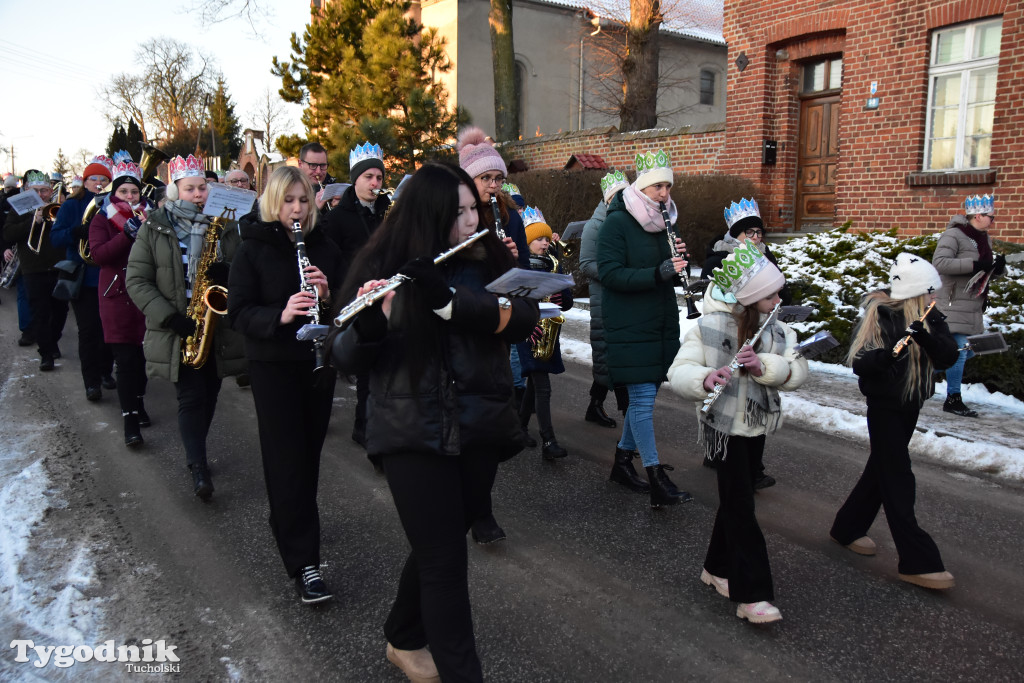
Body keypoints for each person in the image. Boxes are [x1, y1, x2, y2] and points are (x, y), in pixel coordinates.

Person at [329, 162, 538, 683]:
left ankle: (403, 635)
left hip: (479, 421)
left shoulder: (487, 256)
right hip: (409, 427)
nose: (472, 221)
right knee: (445, 562)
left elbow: (526, 319)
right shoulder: (378, 260)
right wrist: (371, 326)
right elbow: (344, 357)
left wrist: (451, 303)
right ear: (430, 215)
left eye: (474, 209)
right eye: (460, 213)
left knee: (437, 543)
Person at [667, 240, 807, 623]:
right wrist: (706, 378)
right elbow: (678, 371)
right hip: (723, 429)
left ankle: (716, 568)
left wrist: (765, 367)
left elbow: (797, 374)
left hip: (757, 424)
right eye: (772, 293)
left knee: (736, 502)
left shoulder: (779, 331)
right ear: (750, 297)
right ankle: (753, 594)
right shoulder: (710, 326)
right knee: (742, 507)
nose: (780, 298)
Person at [228, 166, 344, 605]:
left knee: (308, 455)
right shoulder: (251, 249)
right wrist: (281, 313)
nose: (296, 209)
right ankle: (305, 564)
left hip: (316, 363)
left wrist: (328, 294)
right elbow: (238, 313)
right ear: (273, 203)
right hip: (273, 365)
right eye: (288, 201)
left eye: (303, 201)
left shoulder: (324, 247)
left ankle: (288, 518)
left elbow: (349, 303)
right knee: (286, 460)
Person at [830, 253, 959, 590]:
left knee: (882, 468)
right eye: (931, 292)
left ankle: (847, 527)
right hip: (885, 405)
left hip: (911, 402)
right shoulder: (881, 314)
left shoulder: (931, 317)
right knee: (897, 475)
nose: (935, 298)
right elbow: (860, 362)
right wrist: (888, 356)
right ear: (917, 292)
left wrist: (924, 336)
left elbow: (947, 355)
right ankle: (918, 560)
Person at [126, 154, 246, 501]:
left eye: (202, 187)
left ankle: (198, 450)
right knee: (191, 396)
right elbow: (137, 280)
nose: (198, 193)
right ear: (175, 191)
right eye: (190, 188)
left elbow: (245, 266)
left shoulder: (224, 225)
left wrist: (229, 273)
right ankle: (198, 465)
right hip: (179, 327)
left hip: (217, 326)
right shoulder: (154, 226)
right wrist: (170, 317)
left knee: (210, 393)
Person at [597, 149, 692, 508]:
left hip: (659, 320)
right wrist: (658, 273)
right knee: (640, 400)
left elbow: (670, 267)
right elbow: (608, 273)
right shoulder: (617, 223)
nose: (664, 193)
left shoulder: (666, 220)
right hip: (629, 322)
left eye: (667, 186)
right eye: (657, 187)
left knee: (647, 396)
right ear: (641, 187)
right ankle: (656, 477)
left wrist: (681, 261)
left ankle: (622, 462)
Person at [457, 126, 528, 543]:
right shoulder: (457, 215)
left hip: (498, 323)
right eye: (486, 179)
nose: (494, 186)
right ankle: (473, 510)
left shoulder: (509, 213)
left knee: (492, 417)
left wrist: (513, 259)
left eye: (498, 178)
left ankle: (481, 506)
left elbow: (518, 276)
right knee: (469, 420)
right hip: (467, 320)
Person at [701, 198, 785, 489]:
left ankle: (754, 467)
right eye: (749, 232)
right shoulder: (719, 258)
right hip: (728, 331)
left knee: (755, 397)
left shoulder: (766, 256)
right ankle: (718, 452)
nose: (756, 238)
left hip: (760, 329)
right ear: (735, 234)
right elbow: (714, 295)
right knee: (726, 395)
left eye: (759, 233)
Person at [322, 142, 391, 456]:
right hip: (355, 297)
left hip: (384, 292)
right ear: (356, 179)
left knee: (381, 364)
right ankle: (363, 426)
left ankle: (373, 423)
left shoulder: (384, 211)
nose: (375, 183)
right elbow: (330, 259)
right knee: (364, 365)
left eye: (378, 177)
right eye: (369, 177)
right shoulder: (338, 218)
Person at [89, 156, 154, 447]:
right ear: (115, 192)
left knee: (143, 358)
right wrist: (127, 236)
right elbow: (99, 256)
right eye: (124, 192)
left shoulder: (150, 216)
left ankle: (138, 402)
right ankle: (130, 420)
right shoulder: (102, 218)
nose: (130, 197)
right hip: (116, 296)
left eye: (135, 192)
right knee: (126, 360)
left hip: (147, 294)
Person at [932, 194, 1006, 418]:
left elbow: (984, 271)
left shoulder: (985, 239)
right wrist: (975, 264)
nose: (993, 220)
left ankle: (922, 372)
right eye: (991, 217)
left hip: (972, 304)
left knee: (970, 350)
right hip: (952, 303)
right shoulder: (954, 234)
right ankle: (953, 399)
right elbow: (940, 262)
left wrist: (998, 268)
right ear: (979, 215)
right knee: (961, 350)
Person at [50, 155, 116, 401]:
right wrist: (76, 232)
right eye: (93, 179)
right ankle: (91, 382)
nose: (98, 183)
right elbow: (55, 239)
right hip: (83, 277)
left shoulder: (113, 203)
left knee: (109, 329)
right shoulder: (71, 206)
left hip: (109, 275)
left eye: (103, 179)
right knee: (88, 331)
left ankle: (105, 371)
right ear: (85, 181)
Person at [515, 206, 574, 460]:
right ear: (527, 242)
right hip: (528, 332)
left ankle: (518, 428)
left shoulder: (554, 264)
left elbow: (568, 301)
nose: (544, 242)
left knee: (533, 383)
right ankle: (548, 441)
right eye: (538, 238)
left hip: (548, 331)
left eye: (546, 238)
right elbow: (515, 303)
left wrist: (563, 297)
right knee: (542, 385)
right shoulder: (522, 268)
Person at [578, 171, 631, 435]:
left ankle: (595, 404)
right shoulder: (594, 225)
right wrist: (615, 274)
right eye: (618, 196)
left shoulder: (630, 221)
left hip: (626, 296)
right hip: (605, 297)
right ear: (608, 199)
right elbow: (586, 264)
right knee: (609, 354)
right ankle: (627, 412)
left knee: (618, 356)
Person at [3, 169, 68, 371]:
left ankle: (53, 340)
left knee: (60, 311)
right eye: (36, 190)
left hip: (58, 266)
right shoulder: (20, 209)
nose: (40, 195)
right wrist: (34, 221)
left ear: (51, 191)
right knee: (39, 313)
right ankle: (46, 354)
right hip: (33, 269)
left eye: (44, 191)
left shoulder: (59, 207)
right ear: (27, 191)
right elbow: (8, 234)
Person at [298, 142, 335, 211]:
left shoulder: (334, 187)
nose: (318, 171)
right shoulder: (291, 192)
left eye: (323, 165)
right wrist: (315, 210)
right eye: (313, 165)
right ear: (300, 164)